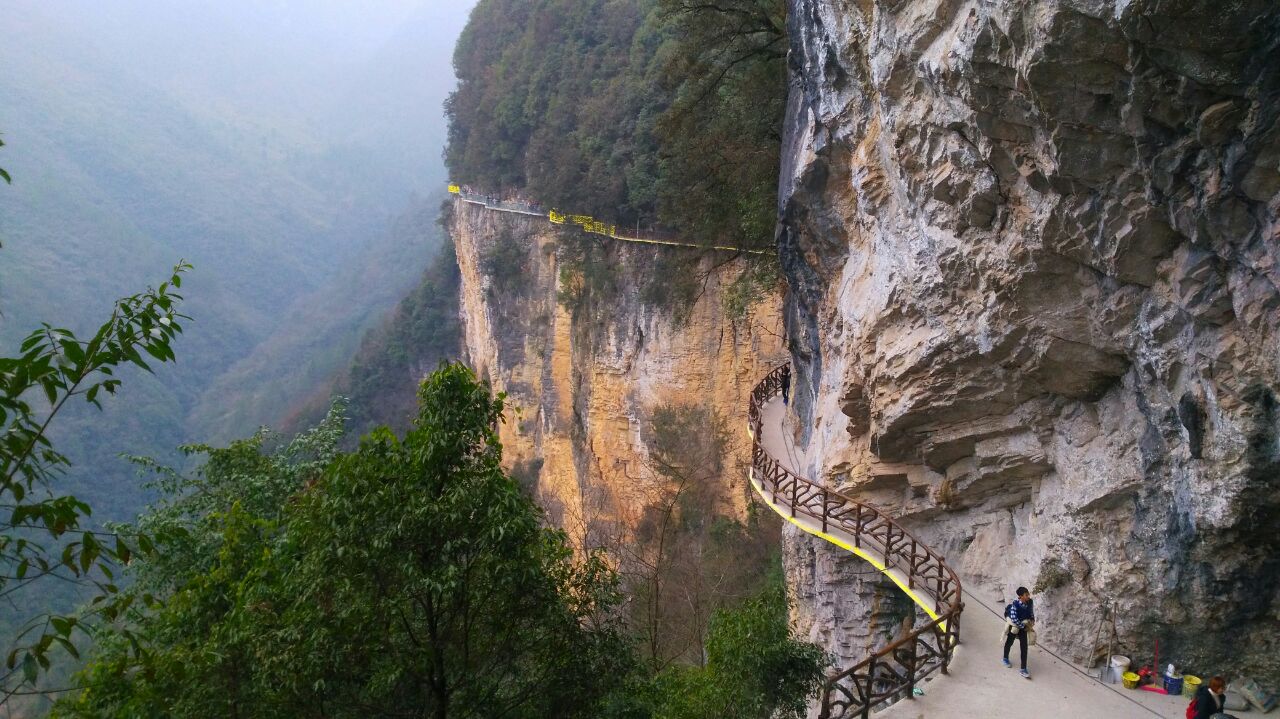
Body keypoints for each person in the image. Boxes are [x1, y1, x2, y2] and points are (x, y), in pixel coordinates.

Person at [1001, 586, 1035, 678]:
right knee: (1009, 642)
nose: (1028, 596)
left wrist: (1032, 620)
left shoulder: (1030, 602)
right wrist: (1022, 626)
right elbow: (1014, 619)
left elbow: (1031, 613)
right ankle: (1005, 658)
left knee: (1024, 647)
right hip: (1015, 626)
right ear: (1020, 596)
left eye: (1028, 594)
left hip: (1023, 627)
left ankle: (1023, 669)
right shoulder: (1015, 606)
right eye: (1026, 595)